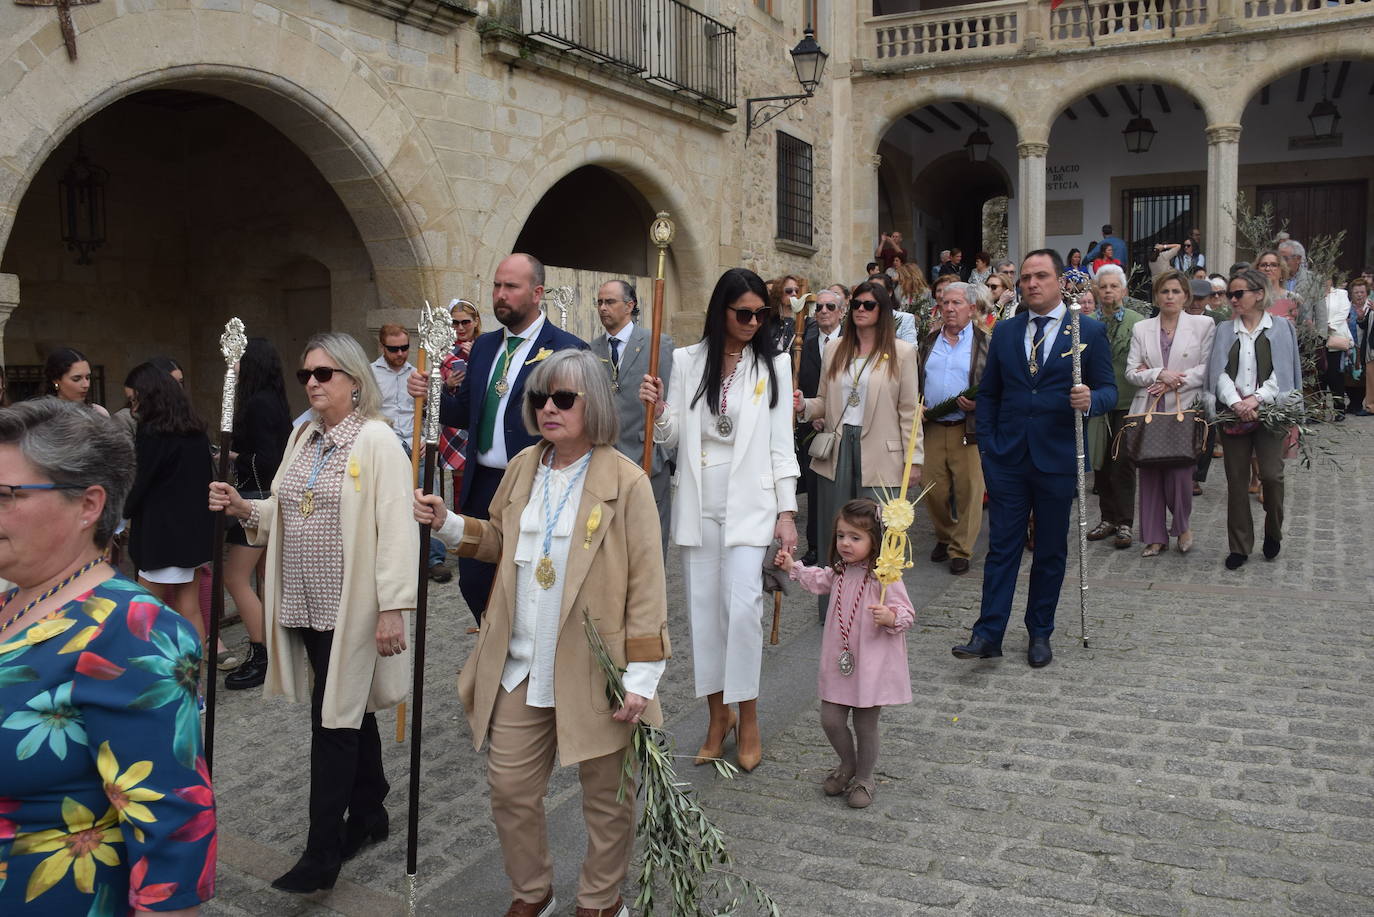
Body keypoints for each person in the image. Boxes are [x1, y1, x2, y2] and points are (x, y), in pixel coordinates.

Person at [415, 350, 668, 917]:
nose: (548, 408)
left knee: (606, 798)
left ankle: (601, 901)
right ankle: (532, 893)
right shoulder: (525, 465)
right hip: (522, 662)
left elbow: (649, 587)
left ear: (593, 404)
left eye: (563, 399)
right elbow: (501, 539)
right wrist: (450, 525)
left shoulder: (626, 482)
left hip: (594, 666)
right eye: (539, 398)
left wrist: (643, 675)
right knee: (510, 788)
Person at [208, 332, 417, 892]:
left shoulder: (376, 441)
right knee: (348, 708)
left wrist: (394, 607)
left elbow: (398, 527)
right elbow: (284, 504)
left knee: (333, 722)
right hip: (302, 600)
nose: (313, 384)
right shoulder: (303, 435)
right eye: (306, 375)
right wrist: (244, 506)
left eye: (324, 374)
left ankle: (322, 852)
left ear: (353, 380)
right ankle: (371, 811)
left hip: (353, 605)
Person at [0, 399, 216, 915]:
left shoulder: (131, 632)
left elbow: (173, 831)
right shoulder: (13, 599)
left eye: (6, 494)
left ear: (88, 505)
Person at [639, 267, 798, 773]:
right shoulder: (688, 361)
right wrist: (659, 409)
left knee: (743, 611)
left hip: (752, 501)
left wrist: (787, 512)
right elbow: (671, 439)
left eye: (760, 314)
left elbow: (780, 444)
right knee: (704, 613)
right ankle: (717, 716)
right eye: (743, 313)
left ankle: (748, 716)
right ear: (721, 312)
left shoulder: (774, 362)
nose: (753, 322)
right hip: (700, 499)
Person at [952, 249, 1116, 668]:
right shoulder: (1006, 332)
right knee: (1002, 548)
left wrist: (1091, 399)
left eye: (1040, 276)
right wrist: (988, 445)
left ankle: (1040, 631)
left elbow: (1109, 391)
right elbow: (989, 393)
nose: (1030, 284)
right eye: (1025, 277)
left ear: (1060, 281)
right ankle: (988, 632)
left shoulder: (1088, 331)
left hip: (1057, 456)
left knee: (1049, 550)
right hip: (1007, 457)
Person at [407, 253, 587, 624]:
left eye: (511, 287)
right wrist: (431, 396)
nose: (500, 295)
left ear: (537, 293)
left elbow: (580, 428)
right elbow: (468, 413)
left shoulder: (568, 349)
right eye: (496, 285)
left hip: (536, 484)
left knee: (528, 584)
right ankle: (494, 654)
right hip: (481, 485)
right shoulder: (486, 346)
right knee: (474, 582)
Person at [774, 499, 913, 809]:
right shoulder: (838, 571)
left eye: (855, 537)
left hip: (871, 663)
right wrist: (793, 568)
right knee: (831, 720)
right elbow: (819, 580)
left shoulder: (884, 576)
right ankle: (847, 763)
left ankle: (864, 777)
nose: (845, 544)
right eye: (841, 536)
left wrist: (891, 618)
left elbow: (906, 613)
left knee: (866, 725)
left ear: (875, 541)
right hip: (841, 658)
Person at [796, 280, 921, 615]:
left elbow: (910, 410)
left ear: (883, 311)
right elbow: (823, 401)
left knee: (876, 536)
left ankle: (878, 608)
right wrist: (803, 406)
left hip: (882, 454)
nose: (861, 310)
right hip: (837, 452)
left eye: (870, 305)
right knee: (836, 535)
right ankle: (834, 608)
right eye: (857, 305)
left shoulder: (902, 352)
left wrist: (915, 460)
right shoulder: (835, 349)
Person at [1209, 269, 1303, 570]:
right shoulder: (1224, 329)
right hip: (1233, 413)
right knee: (1237, 481)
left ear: (1259, 294)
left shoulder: (1281, 328)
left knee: (1272, 477)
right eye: (1229, 294)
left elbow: (1284, 373)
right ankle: (1239, 546)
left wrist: (1257, 400)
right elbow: (1218, 372)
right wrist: (1237, 403)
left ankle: (1273, 530)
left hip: (1270, 411)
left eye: (1239, 294)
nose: (1232, 300)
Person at [1125, 270, 1216, 556]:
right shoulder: (1142, 328)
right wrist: (1158, 373)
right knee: (1150, 473)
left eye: (1176, 291)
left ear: (1186, 296)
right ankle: (1154, 536)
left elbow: (1207, 367)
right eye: (1165, 291)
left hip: (1184, 406)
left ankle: (1182, 526)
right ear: (1156, 296)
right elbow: (1131, 371)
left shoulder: (1203, 325)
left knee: (1180, 472)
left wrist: (1174, 380)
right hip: (1149, 407)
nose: (1170, 296)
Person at [123, 362, 215, 642]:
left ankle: (146, 679)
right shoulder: (194, 429)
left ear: (149, 395)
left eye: (134, 399)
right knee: (190, 609)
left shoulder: (153, 432)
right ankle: (194, 681)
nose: (133, 408)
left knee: (143, 612)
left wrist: (122, 513)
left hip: (163, 534)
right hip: (194, 531)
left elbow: (142, 481)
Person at [222, 337, 291, 690]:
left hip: (256, 496)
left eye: (238, 360)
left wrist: (228, 456)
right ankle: (276, 648)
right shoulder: (271, 400)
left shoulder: (259, 404)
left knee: (235, 576)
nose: (232, 366)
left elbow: (265, 459)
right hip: (265, 494)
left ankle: (261, 653)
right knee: (265, 577)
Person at [590, 279, 674, 554]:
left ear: (630, 305)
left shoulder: (657, 344)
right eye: (600, 302)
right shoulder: (593, 350)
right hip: (605, 458)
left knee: (648, 543)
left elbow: (669, 400)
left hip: (646, 455)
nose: (603, 308)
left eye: (610, 302)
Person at [917, 282, 988, 575]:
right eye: (945, 303)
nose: (949, 309)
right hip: (933, 425)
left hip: (967, 429)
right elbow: (914, 378)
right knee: (932, 489)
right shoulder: (929, 341)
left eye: (956, 303)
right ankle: (945, 536)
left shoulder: (986, 344)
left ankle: (961, 549)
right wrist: (916, 403)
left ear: (971, 309)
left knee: (969, 491)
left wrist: (978, 404)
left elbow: (997, 386)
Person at [372, 324, 449, 582]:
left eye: (405, 347)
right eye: (394, 349)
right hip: (385, 447)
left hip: (417, 446)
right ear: (382, 347)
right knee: (390, 505)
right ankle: (396, 561)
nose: (401, 353)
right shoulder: (369, 375)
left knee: (427, 500)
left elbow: (432, 411)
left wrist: (430, 440)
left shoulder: (417, 374)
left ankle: (432, 557)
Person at [1083, 265, 1144, 551]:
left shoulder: (1137, 322)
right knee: (1101, 462)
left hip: (1127, 401)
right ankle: (1107, 517)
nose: (1108, 291)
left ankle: (1125, 522)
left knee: (1123, 462)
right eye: (1103, 286)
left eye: (1113, 286)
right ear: (1096, 290)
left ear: (1124, 290)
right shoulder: (1088, 322)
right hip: (1097, 401)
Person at [799, 287, 846, 564]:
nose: (824, 312)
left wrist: (827, 413)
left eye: (830, 307)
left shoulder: (851, 342)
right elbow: (802, 382)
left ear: (841, 312)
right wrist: (811, 412)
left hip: (842, 426)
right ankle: (815, 545)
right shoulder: (804, 343)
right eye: (819, 307)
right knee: (815, 490)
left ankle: (843, 544)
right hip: (812, 428)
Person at [440, 298, 481, 506]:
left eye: (465, 322)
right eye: (455, 323)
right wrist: (447, 384)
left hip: (480, 417)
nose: (460, 327)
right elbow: (433, 392)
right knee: (459, 486)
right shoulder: (442, 350)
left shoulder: (486, 347)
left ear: (475, 321)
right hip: (455, 423)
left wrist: (474, 358)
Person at [43, 346, 109, 416]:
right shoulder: (39, 415)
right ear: (56, 380)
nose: (86, 385)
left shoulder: (98, 413)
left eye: (87, 377)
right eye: (76, 379)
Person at [1322, 280, 1353, 419]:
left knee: (1335, 374)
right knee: (1320, 375)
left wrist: (1329, 325)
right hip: (1317, 337)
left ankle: (1339, 409)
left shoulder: (1341, 293)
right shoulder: (1314, 294)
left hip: (1334, 337)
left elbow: (1344, 311)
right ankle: (1318, 410)